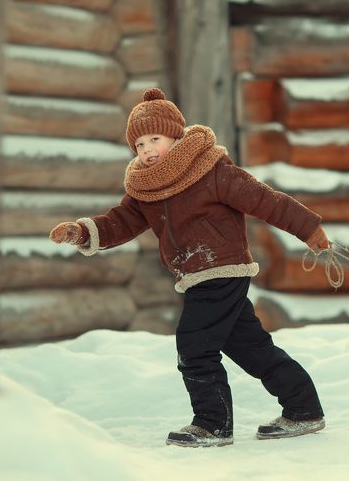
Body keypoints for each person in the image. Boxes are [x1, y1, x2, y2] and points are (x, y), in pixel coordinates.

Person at [50, 88, 329, 447]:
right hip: (195, 276)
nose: (148, 149)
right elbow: (120, 223)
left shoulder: (211, 169)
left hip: (222, 269)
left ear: (175, 135)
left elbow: (264, 199)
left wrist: (308, 228)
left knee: (194, 346)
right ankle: (303, 409)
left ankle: (212, 425)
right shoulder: (146, 188)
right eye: (139, 144)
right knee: (251, 348)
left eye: (155, 138)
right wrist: (81, 232)